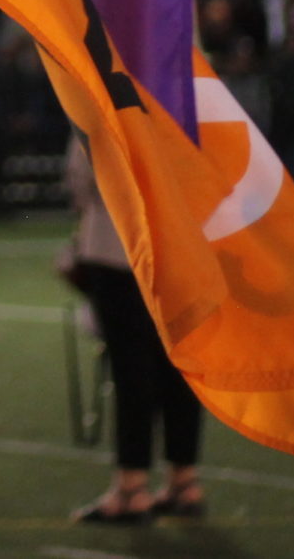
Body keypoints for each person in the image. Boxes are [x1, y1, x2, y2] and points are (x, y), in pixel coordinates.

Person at [61, 131, 205, 522]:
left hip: (116, 248)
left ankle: (132, 486)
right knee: (177, 368)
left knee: (131, 371)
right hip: (180, 247)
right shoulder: (186, 91)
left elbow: (81, 176)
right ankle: (184, 479)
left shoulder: (103, 93)